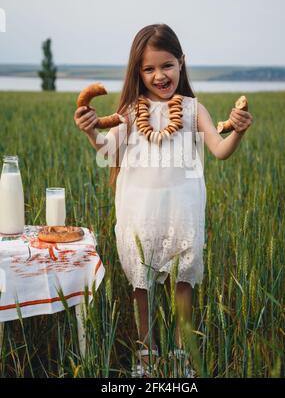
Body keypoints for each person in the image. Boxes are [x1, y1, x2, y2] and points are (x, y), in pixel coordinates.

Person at [74, 23, 253, 377]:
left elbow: (219, 149)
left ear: (181, 62)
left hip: (181, 209)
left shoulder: (191, 110)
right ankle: (147, 352)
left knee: (181, 282)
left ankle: (181, 353)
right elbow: (111, 153)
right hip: (138, 209)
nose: (160, 75)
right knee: (142, 286)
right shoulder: (128, 110)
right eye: (149, 68)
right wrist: (91, 132)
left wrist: (239, 132)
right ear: (138, 72)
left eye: (167, 65)